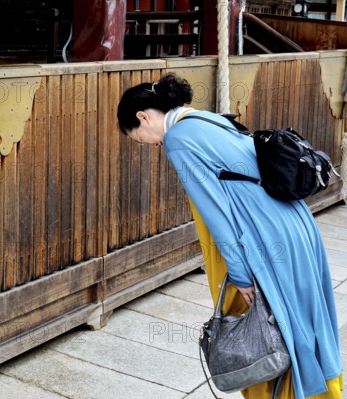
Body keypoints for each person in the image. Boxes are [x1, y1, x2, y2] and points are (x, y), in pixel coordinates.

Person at [117, 73, 343, 399]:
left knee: (272, 328)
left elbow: (215, 211)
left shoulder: (178, 138)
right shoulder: (207, 119)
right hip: (293, 222)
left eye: (140, 138)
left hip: (264, 232)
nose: (150, 145)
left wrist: (238, 273)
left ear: (142, 116)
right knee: (303, 321)